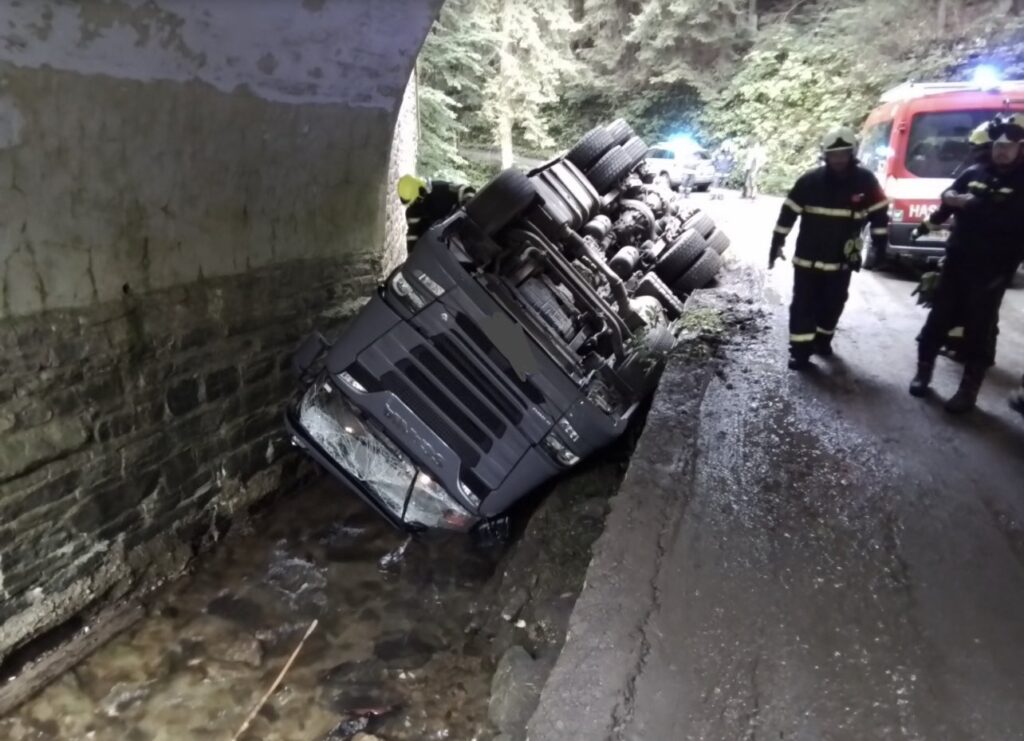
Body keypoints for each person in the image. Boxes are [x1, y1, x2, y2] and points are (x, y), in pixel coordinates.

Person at [909, 113, 1024, 413]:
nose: (1002, 151)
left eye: (1010, 146)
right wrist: (930, 221)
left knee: (979, 331)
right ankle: (923, 375)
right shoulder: (974, 173)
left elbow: (1011, 221)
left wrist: (969, 204)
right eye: (998, 145)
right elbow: (945, 203)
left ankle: (968, 393)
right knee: (937, 321)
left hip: (993, 271)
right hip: (957, 263)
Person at [769, 126, 890, 370]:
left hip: (842, 260)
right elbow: (788, 213)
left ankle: (823, 340)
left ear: (852, 153)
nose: (838, 159)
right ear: (825, 155)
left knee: (834, 302)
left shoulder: (865, 181)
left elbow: (879, 215)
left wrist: (880, 247)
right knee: (803, 303)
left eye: (843, 154)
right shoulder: (809, 182)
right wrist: (776, 243)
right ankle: (800, 352)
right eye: (834, 155)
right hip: (808, 259)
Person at [911, 121, 995, 360]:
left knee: (967, 303)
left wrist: (923, 229)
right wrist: (924, 227)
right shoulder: (973, 174)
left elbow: (945, 209)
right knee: (979, 305)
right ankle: (966, 346)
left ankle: (970, 348)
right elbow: (945, 205)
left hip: (982, 254)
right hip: (975, 253)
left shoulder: (986, 175)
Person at [398, 174, 475, 249]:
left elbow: (465, 189)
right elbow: (413, 235)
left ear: (421, 190)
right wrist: (412, 257)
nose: (414, 205)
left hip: (464, 234)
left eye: (416, 200)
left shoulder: (441, 188)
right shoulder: (412, 213)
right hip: (441, 249)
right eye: (411, 203)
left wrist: (467, 205)